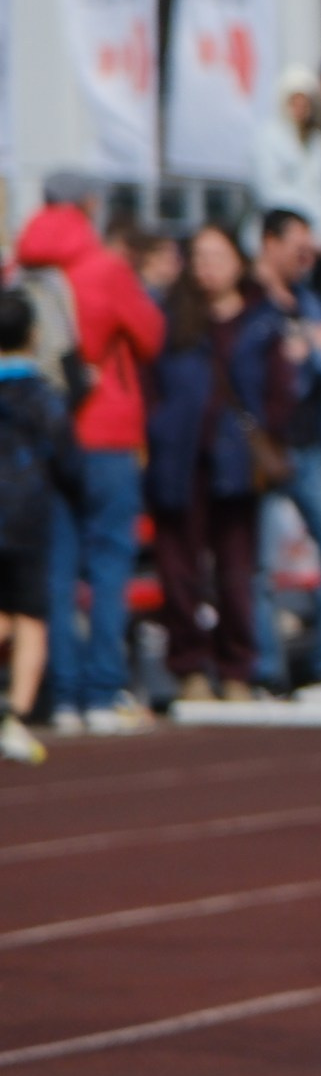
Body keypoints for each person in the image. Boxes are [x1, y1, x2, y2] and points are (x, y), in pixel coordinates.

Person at [17, 172, 165, 734]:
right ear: (87, 205)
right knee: (108, 565)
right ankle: (105, 691)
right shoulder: (105, 268)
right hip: (106, 431)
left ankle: (66, 694)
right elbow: (151, 336)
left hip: (43, 433)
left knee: (55, 570)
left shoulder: (24, 267)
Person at [147, 225, 294, 702]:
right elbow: (152, 384)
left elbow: (279, 391)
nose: (207, 265)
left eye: (217, 254)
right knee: (179, 569)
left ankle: (237, 668)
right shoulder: (171, 317)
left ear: (238, 261)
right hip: (179, 458)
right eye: (199, 255)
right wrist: (158, 431)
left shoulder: (262, 320)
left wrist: (269, 434)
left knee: (237, 570)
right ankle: (189, 667)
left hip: (236, 461)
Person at [248, 209, 321, 692]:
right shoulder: (250, 301)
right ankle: (265, 670)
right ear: (269, 243)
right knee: (257, 565)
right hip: (261, 448)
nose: (306, 257)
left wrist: (310, 348)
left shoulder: (309, 300)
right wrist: (301, 347)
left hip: (311, 445)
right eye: (298, 248)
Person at [0, 290, 79, 764]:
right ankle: (18, 715)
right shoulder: (40, 394)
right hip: (28, 513)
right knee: (29, 617)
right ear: (32, 335)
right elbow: (66, 453)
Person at [250, 66, 321, 254]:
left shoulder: (318, 142)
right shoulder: (268, 137)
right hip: (279, 232)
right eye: (295, 102)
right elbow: (268, 188)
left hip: (312, 237)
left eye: (304, 103)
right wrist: (299, 224)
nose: (300, 109)